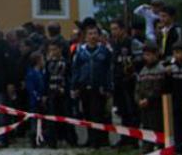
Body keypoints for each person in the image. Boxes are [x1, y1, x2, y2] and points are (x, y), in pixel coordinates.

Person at [71, 20, 114, 147]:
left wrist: (108, 87)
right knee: (87, 114)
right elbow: (76, 70)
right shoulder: (80, 51)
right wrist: (75, 86)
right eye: (90, 34)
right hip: (84, 87)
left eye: (95, 33)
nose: (93, 36)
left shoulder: (104, 51)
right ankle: (90, 138)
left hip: (99, 88)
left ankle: (101, 140)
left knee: (100, 114)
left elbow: (108, 70)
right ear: (85, 36)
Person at [110, 18, 142, 148]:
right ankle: (124, 137)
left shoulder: (132, 42)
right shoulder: (114, 43)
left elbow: (140, 58)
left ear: (123, 29)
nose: (113, 32)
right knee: (122, 111)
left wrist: (131, 68)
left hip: (130, 81)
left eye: (116, 29)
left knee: (132, 111)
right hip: (118, 81)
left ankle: (134, 139)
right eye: (112, 29)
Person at [136, 41, 166, 148]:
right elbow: (138, 88)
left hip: (156, 105)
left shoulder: (160, 69)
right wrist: (138, 99)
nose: (146, 57)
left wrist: (149, 99)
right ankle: (147, 147)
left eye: (149, 55)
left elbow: (159, 88)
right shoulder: (143, 71)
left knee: (158, 127)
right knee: (146, 127)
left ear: (155, 55)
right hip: (144, 105)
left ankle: (161, 148)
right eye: (145, 55)